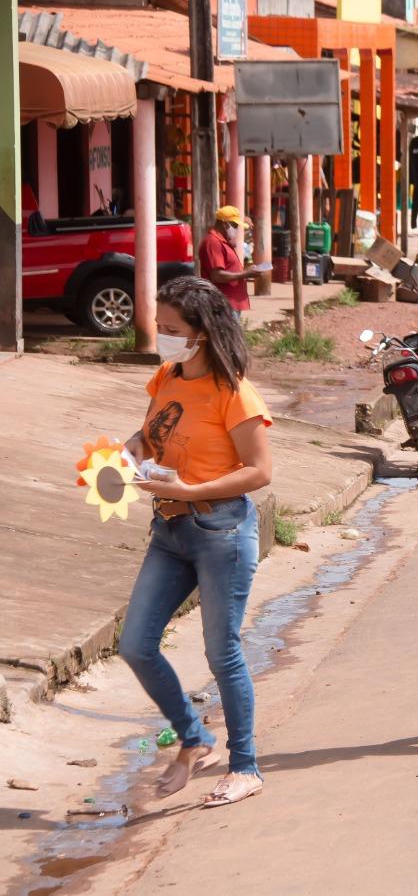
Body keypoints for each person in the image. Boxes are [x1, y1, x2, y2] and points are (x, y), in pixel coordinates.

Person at [117, 276, 273, 805]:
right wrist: (130, 450)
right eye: (160, 327)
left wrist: (193, 488)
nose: (163, 337)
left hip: (220, 530)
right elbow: (151, 433)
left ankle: (245, 766)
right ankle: (195, 737)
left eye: (172, 329)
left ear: (202, 333)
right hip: (170, 529)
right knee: (136, 644)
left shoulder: (234, 393)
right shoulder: (167, 374)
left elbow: (259, 471)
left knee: (221, 651)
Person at [198, 206, 263, 322]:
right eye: (235, 225)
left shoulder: (222, 241)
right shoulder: (213, 242)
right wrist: (245, 274)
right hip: (222, 305)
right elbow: (217, 275)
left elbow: (228, 269)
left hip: (229, 304)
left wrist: (247, 271)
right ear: (225, 224)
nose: (237, 229)